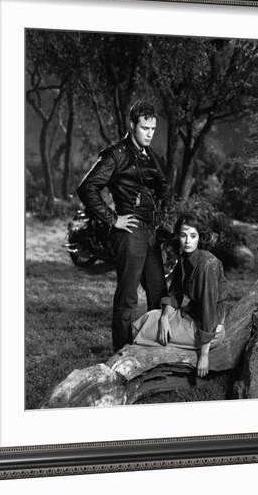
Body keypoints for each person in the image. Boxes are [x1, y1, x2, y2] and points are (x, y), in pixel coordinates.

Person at [77, 100, 168, 352]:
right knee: (127, 299)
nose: (150, 133)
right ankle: (121, 355)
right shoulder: (116, 154)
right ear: (132, 125)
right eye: (144, 128)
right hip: (129, 232)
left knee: (160, 294)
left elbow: (161, 186)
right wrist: (113, 218)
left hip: (150, 232)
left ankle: (155, 351)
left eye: (153, 128)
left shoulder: (151, 156)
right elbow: (87, 187)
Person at [132, 212, 227, 377]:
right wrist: (164, 318)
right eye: (183, 235)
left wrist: (204, 356)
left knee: (141, 329)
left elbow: (208, 311)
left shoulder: (206, 264)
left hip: (208, 329)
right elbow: (175, 292)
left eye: (193, 235)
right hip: (191, 316)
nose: (188, 241)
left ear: (200, 237)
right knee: (149, 319)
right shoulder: (185, 258)